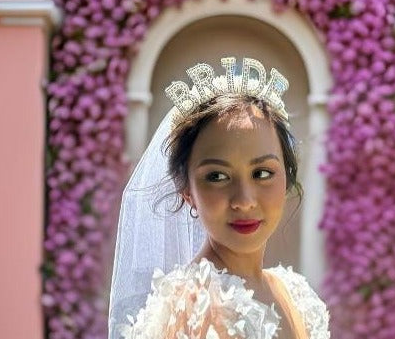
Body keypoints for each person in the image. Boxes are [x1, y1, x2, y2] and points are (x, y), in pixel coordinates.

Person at [108, 57, 330, 339]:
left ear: (286, 177)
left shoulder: (291, 290)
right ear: (187, 191)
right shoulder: (194, 307)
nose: (244, 200)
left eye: (262, 173)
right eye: (217, 176)